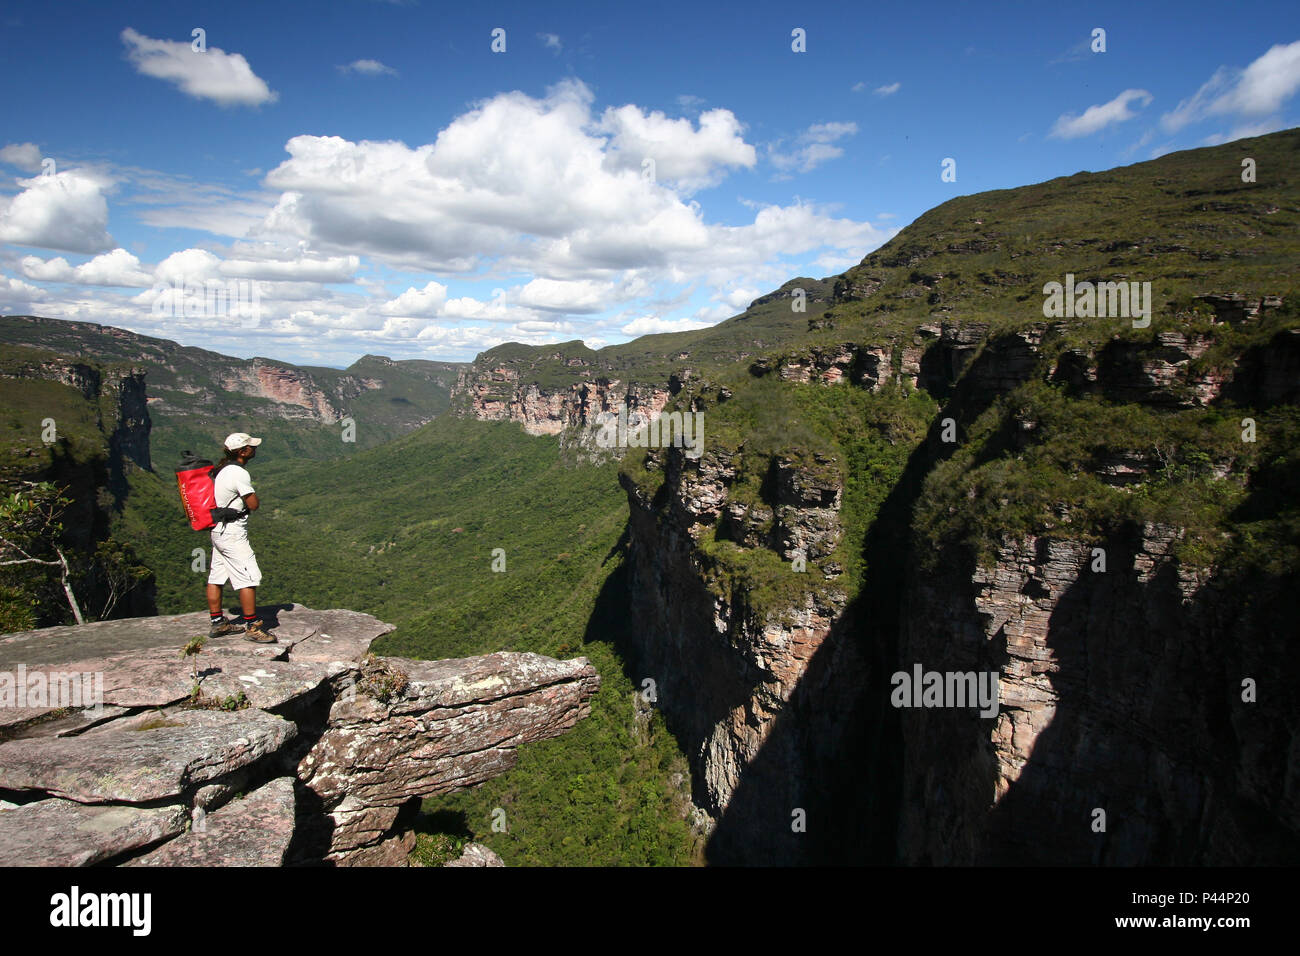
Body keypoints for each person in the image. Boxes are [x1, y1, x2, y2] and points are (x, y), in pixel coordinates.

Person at [205, 432, 276, 643]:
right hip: (232, 533)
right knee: (249, 577)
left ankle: (218, 623)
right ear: (243, 451)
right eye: (252, 447)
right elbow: (253, 504)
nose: (255, 449)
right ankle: (253, 627)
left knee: (217, 575)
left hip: (218, 530)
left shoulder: (222, 469)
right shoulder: (238, 473)